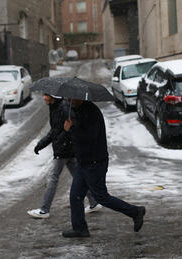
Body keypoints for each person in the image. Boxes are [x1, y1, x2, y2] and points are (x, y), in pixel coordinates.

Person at [62, 99, 145, 238]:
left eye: (71, 98)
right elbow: (77, 137)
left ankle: (135, 212)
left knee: (101, 197)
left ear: (80, 97)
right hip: (83, 162)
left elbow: (90, 137)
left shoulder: (91, 111)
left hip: (95, 162)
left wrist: (72, 129)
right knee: (75, 196)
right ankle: (80, 229)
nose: (68, 100)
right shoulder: (75, 110)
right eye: (67, 98)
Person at [27, 94, 102, 219]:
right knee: (79, 177)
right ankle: (94, 202)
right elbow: (55, 130)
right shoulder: (55, 106)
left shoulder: (64, 108)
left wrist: (62, 142)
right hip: (67, 148)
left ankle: (44, 210)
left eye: (46, 95)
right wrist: (41, 144)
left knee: (52, 178)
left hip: (64, 149)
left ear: (53, 97)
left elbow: (71, 127)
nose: (44, 98)